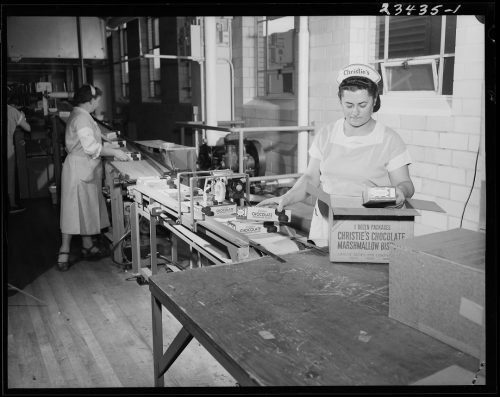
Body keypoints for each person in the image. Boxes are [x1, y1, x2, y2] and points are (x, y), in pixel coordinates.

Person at [257, 63, 415, 247]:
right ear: (340, 101)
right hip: (327, 223)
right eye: (348, 105)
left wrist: (401, 191)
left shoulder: (389, 139)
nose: (355, 112)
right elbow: (310, 178)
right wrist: (286, 199)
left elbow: (406, 184)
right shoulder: (327, 134)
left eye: (362, 105)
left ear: (374, 101)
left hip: (369, 229)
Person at [56, 84, 130, 271]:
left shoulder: (80, 113)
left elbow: (93, 137)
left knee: (84, 208)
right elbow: (91, 147)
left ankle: (87, 245)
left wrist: (109, 143)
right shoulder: (81, 117)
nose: (98, 103)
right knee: (72, 210)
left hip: (84, 167)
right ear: (90, 100)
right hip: (79, 168)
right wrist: (116, 153)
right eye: (97, 100)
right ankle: (63, 252)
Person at [6, 95, 31, 213]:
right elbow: (28, 128)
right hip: (7, 150)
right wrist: (23, 117)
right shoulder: (12, 111)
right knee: (9, 177)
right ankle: (11, 205)